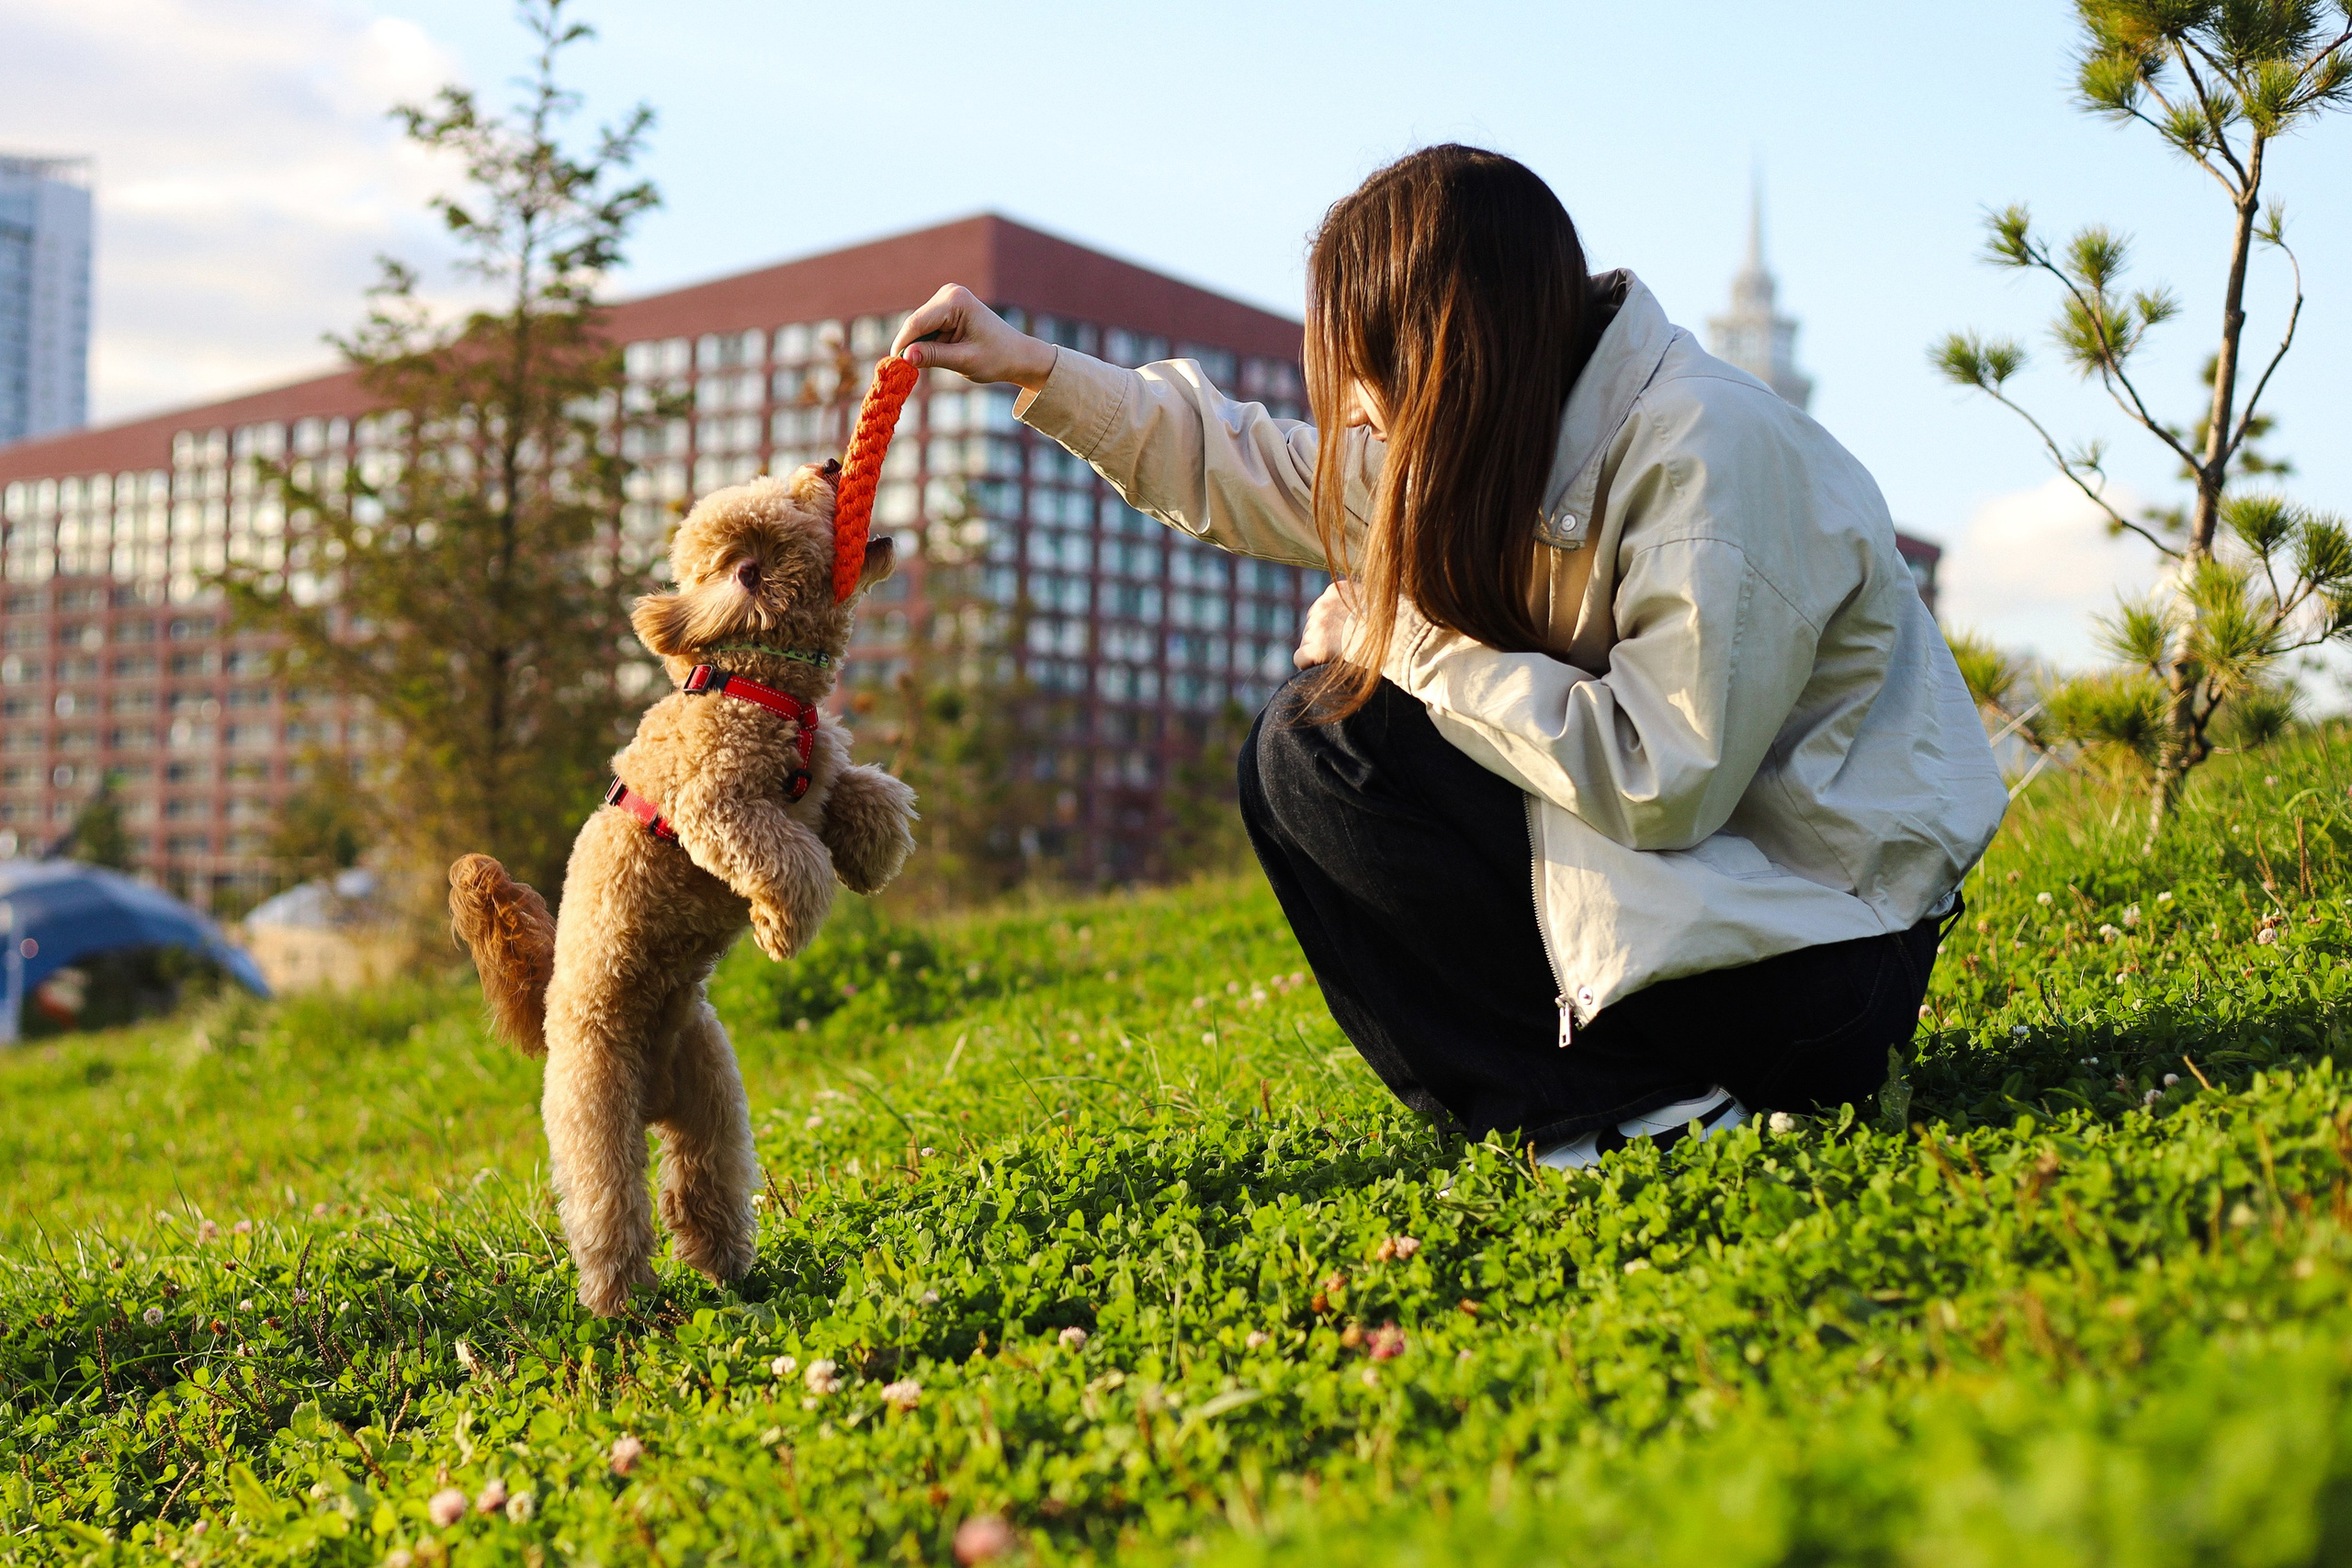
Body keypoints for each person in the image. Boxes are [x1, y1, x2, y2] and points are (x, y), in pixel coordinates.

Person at [893, 145, 2005, 1167]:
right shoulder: (1512, 433)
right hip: (1707, 919)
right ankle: (1598, 1114)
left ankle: (1629, 1114)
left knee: (1337, 724)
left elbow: (1662, 778)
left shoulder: (1707, 452)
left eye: (1368, 373)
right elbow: (1259, 468)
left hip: (1819, 973)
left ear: (1446, 353)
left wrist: (1397, 635)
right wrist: (1030, 367)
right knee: (1313, 744)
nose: (1361, 416)